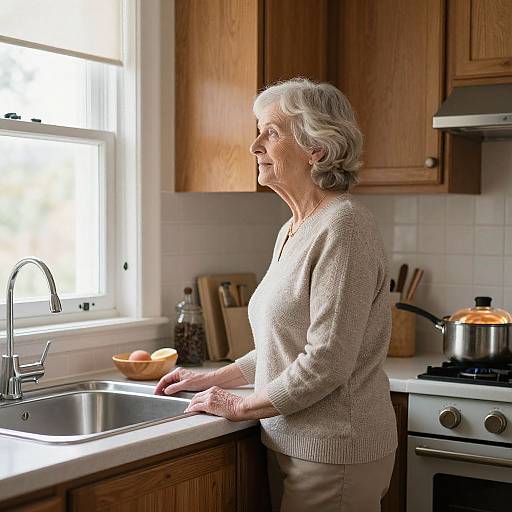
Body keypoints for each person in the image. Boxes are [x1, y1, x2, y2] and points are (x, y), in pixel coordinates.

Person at [155, 78, 397, 512]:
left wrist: (242, 405)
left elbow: (326, 361)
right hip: (290, 439)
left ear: (316, 149)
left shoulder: (345, 227)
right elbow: (283, 346)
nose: (255, 146)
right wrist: (212, 380)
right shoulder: (292, 229)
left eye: (271, 131)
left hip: (334, 449)